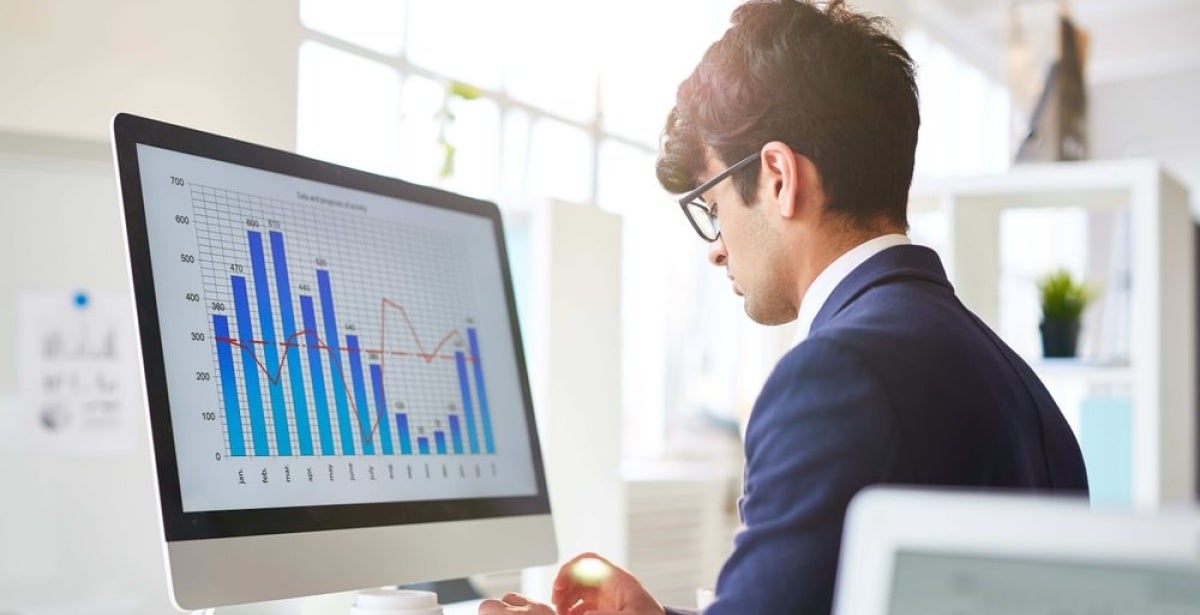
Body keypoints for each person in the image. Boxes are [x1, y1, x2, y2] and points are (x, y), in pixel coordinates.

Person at [480, 0, 1089, 613]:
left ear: (778, 177)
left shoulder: (834, 377)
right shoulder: (1016, 382)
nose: (716, 250)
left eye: (714, 209)